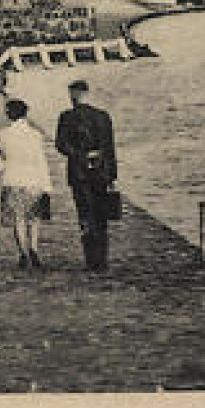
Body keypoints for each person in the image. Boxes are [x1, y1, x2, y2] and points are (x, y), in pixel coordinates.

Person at [55, 78, 118, 272]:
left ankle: (91, 259)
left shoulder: (66, 117)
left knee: (85, 215)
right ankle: (103, 259)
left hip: (78, 173)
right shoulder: (103, 116)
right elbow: (109, 148)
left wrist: (79, 155)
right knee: (101, 216)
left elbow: (61, 145)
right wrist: (112, 176)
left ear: (73, 95)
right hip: (101, 172)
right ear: (87, 94)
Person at [0, 98, 53, 271]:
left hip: (12, 179)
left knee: (18, 219)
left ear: (8, 114)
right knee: (33, 219)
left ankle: (23, 254)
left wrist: (2, 167)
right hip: (34, 180)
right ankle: (34, 249)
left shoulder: (2, 134)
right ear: (25, 114)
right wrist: (46, 185)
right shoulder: (36, 135)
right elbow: (41, 161)